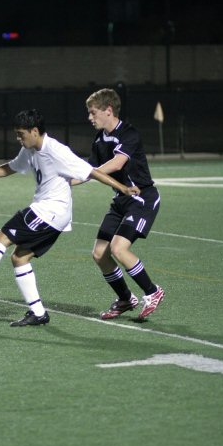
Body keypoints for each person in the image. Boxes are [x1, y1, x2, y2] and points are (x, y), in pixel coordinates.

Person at [0, 108, 139, 327]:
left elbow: (91, 171)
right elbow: (11, 167)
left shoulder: (56, 151)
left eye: (21, 134)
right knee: (19, 258)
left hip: (49, 211)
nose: (18, 138)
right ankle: (38, 313)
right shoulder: (29, 150)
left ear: (34, 131)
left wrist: (122, 187)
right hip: (51, 214)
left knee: (2, 237)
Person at [83, 88, 164, 321]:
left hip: (141, 198)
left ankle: (153, 291)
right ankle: (126, 298)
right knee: (99, 254)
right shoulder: (99, 140)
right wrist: (65, 179)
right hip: (120, 200)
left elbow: (117, 164)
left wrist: (85, 173)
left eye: (93, 112)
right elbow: (89, 171)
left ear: (108, 110)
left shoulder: (128, 133)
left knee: (119, 249)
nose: (90, 118)